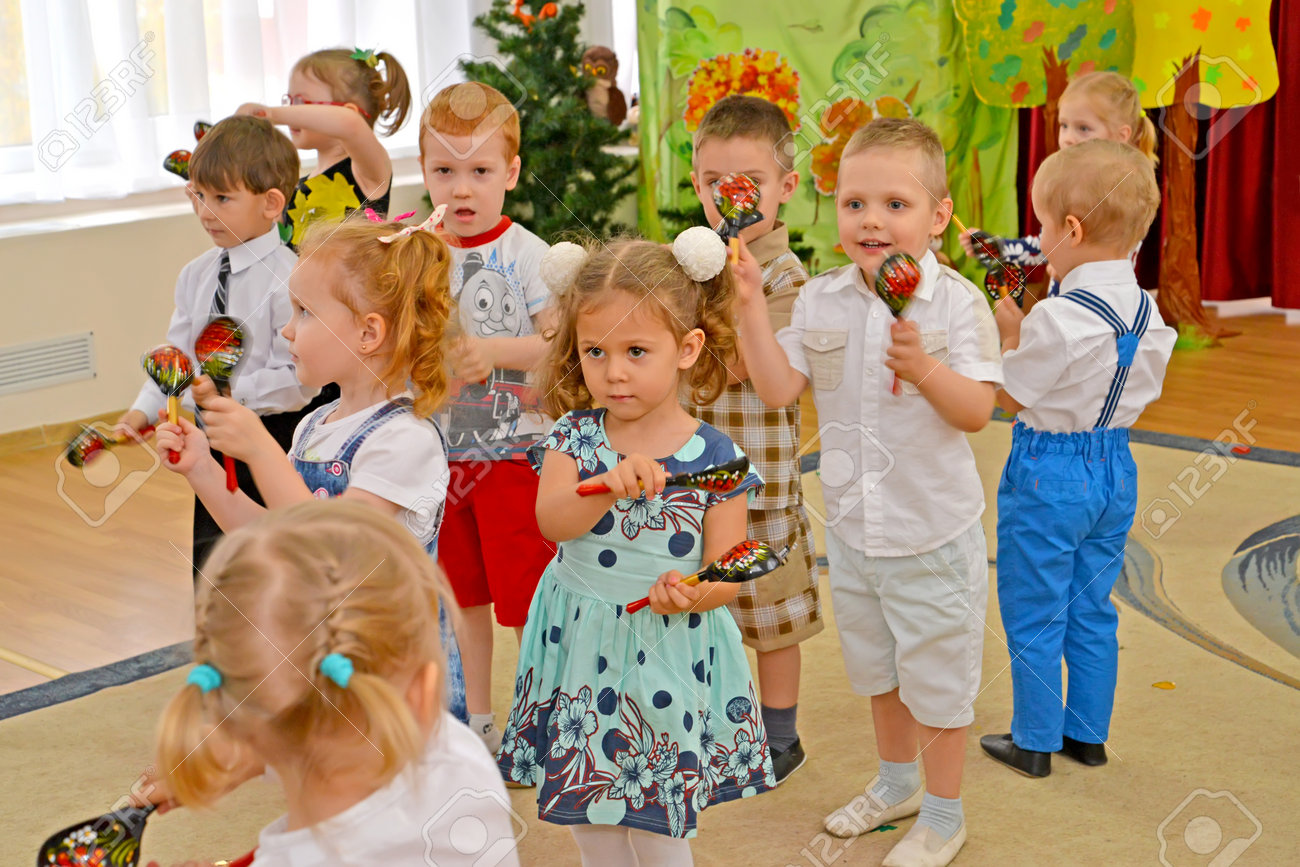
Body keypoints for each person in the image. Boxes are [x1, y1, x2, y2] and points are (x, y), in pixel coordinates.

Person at [734, 118, 1003, 866]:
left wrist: (926, 370)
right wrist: (753, 308)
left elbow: (977, 410)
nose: (872, 220)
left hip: (930, 533)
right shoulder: (820, 300)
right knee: (879, 673)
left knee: (940, 685)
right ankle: (896, 782)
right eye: (855, 204)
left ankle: (945, 813)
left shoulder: (955, 306)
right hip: (852, 534)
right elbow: (778, 384)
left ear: (938, 217)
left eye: (895, 203)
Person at [496, 230, 775, 864]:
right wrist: (603, 488)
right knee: (589, 807)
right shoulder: (574, 435)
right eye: (595, 351)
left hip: (667, 647)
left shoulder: (717, 457)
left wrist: (692, 593)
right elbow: (552, 523)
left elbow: (729, 570)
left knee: (657, 819)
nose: (613, 370)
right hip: (579, 639)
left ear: (687, 348)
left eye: (636, 350)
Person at [154, 216, 467, 722]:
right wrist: (203, 471)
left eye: (304, 313)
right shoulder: (316, 424)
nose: (285, 328)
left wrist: (262, 451)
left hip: (389, 683)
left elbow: (333, 547)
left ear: (368, 332)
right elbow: (276, 536)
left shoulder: (405, 440)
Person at [149, 501, 520, 865]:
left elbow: (310, 726)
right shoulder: (459, 760)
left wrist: (247, 752)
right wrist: (251, 757)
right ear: (424, 692)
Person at [982, 139, 1173, 778]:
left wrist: (1010, 332)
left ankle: (1034, 740)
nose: (1037, 238)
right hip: (1116, 468)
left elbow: (1011, 393)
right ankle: (1087, 735)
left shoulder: (1059, 317)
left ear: (1071, 228)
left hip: (1049, 471)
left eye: (1041, 225)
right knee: (1092, 604)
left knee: (1035, 604)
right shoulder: (1150, 312)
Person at [687, 94, 822, 782]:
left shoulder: (784, 275)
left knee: (770, 615)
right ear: (697, 185)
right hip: (692, 478)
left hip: (759, 478)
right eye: (714, 184)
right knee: (704, 605)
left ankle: (779, 735)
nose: (728, 198)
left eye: (748, 184)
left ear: (784, 188)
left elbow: (745, 365)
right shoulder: (691, 265)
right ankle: (714, 717)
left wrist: (728, 302)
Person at [419, 81, 557, 752]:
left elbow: (562, 346)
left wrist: (493, 351)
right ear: (424, 172)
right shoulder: (416, 253)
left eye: (478, 171)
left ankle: (537, 721)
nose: (461, 189)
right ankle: (478, 722)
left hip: (514, 460)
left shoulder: (528, 255)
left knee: (525, 604)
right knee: (462, 600)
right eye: (444, 171)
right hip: (439, 461)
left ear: (511, 173)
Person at [116, 115, 316, 576]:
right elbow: (178, 354)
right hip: (210, 444)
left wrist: (227, 395)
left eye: (222, 198)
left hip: (275, 443)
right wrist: (143, 410)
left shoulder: (291, 279)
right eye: (199, 197)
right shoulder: (197, 274)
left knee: (274, 564)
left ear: (271, 204)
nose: (206, 212)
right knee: (215, 568)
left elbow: (299, 381)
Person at [960, 71, 1158, 297]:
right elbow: (1047, 244)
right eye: (1064, 125)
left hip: (1097, 308)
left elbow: (1117, 252)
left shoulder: (1123, 192)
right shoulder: (1070, 184)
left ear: (1121, 135)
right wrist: (998, 247)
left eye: (1083, 128)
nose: (1068, 138)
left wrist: (1071, 265)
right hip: (1063, 309)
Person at [237, 46, 411, 245]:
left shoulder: (368, 173)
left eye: (302, 102)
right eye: (290, 100)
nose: (291, 110)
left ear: (350, 110)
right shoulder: (294, 189)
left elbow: (349, 123)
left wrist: (271, 114)